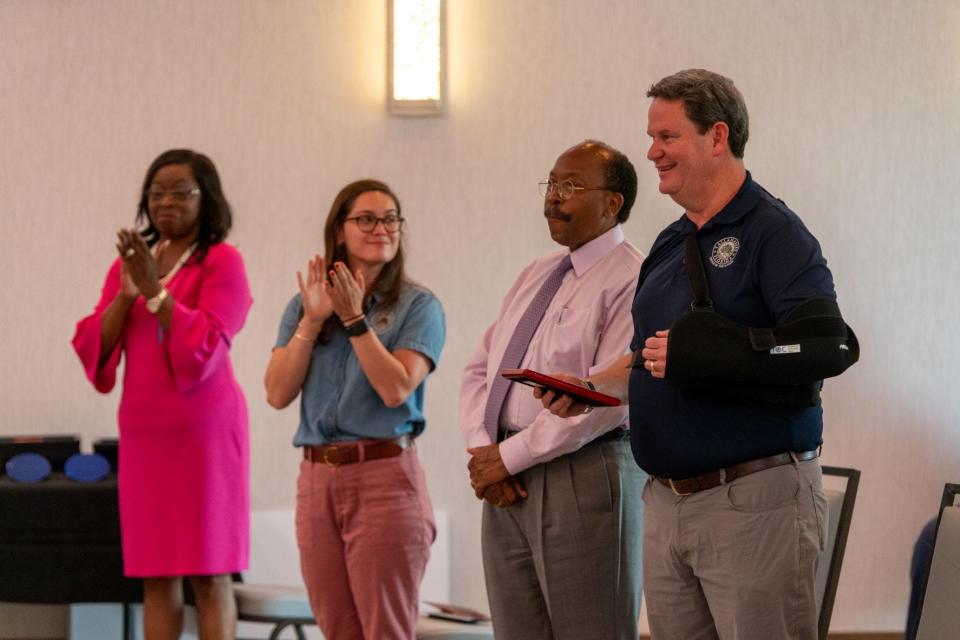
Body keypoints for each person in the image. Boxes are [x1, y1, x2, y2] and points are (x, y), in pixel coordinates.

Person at [540, 70, 858, 639]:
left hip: (753, 502)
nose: (652, 153)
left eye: (667, 137)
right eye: (651, 137)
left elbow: (829, 346)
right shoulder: (669, 243)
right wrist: (586, 389)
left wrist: (721, 352)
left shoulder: (775, 233)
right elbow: (646, 359)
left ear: (717, 136)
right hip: (666, 502)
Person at [459, 140, 647, 639]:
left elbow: (603, 402)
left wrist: (508, 457)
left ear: (613, 203)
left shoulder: (634, 279)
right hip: (505, 481)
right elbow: (480, 369)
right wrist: (485, 452)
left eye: (570, 187)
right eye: (551, 184)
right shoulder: (538, 272)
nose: (553, 199)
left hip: (583, 473)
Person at [73, 149, 252, 640]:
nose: (165, 201)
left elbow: (209, 345)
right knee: (156, 574)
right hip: (146, 438)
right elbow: (96, 346)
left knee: (210, 573)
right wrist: (129, 293)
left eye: (180, 191)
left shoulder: (222, 261)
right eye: (156, 192)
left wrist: (157, 293)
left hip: (205, 436)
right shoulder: (131, 264)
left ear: (206, 199)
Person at [264, 179, 444, 640]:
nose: (381, 228)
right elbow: (277, 392)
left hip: (383, 478)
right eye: (366, 218)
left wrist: (353, 319)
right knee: (336, 629)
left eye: (390, 219)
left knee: (385, 630)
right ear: (340, 231)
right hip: (317, 478)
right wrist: (312, 320)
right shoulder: (306, 304)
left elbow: (395, 389)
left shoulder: (417, 306)